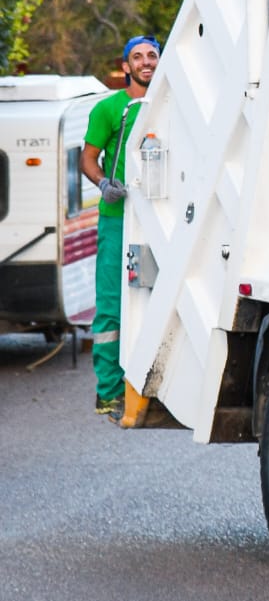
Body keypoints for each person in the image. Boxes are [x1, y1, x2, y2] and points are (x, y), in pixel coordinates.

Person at [81, 35, 161, 420]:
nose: (146, 62)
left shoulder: (168, 107)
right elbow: (89, 158)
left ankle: (151, 384)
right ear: (125, 66)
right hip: (117, 221)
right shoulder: (110, 109)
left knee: (154, 302)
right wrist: (102, 184)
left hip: (157, 222)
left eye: (152, 55)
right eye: (138, 57)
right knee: (112, 306)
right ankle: (108, 392)